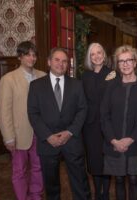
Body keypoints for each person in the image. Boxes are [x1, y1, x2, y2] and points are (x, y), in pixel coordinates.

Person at [27, 47, 91, 200]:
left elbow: (82, 110)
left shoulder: (77, 84)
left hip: (72, 140)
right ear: (49, 62)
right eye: (57, 60)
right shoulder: (36, 86)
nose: (60, 64)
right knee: (51, 184)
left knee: (80, 182)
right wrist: (48, 136)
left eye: (64, 61)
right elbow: (33, 114)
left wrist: (69, 132)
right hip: (48, 142)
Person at [100, 45, 137, 200]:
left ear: (135, 62)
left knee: (134, 180)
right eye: (121, 61)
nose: (125, 64)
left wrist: (131, 139)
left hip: (135, 142)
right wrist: (114, 140)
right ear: (117, 64)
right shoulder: (110, 86)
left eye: (129, 60)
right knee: (119, 180)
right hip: (113, 142)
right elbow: (104, 116)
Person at [0, 41, 45, 200]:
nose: (32, 58)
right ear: (20, 57)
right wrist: (8, 136)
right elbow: (4, 111)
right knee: (19, 170)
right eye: (27, 55)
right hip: (18, 134)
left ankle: (36, 195)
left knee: (38, 167)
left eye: (34, 55)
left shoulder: (43, 76)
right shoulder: (8, 79)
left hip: (40, 132)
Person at [82, 43, 114, 200]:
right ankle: (97, 193)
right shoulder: (85, 75)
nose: (96, 56)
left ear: (104, 54)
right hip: (90, 125)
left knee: (106, 160)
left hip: (108, 124)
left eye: (99, 52)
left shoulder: (113, 74)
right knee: (94, 160)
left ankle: (106, 194)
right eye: (92, 54)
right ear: (89, 57)